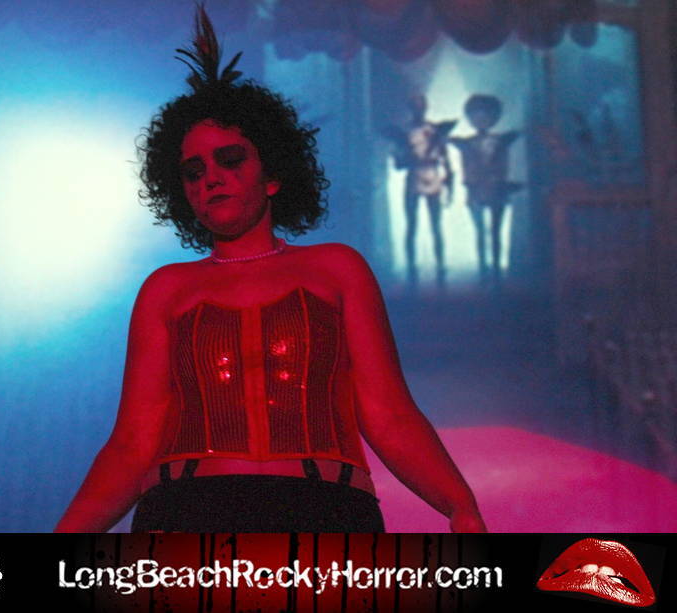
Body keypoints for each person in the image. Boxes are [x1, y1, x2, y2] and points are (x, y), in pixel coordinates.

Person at [55, 7, 485, 533]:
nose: (211, 178)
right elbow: (132, 444)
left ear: (274, 174)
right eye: (194, 171)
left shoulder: (337, 269)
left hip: (326, 515)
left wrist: (459, 505)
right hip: (186, 516)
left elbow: (388, 414)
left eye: (230, 159)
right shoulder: (165, 290)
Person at [384, 96, 456, 285]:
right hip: (413, 177)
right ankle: (412, 264)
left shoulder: (435, 131)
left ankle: (440, 263)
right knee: (411, 224)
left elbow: (445, 157)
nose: (419, 110)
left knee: (436, 224)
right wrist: (403, 156)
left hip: (432, 176)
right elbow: (398, 163)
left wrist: (449, 184)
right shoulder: (405, 133)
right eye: (415, 106)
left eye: (421, 106)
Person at [450, 95, 521, 281]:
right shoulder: (466, 143)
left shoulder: (501, 141)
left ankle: (495, 267)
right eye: (476, 116)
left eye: (485, 116)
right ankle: (483, 267)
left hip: (496, 190)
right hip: (475, 191)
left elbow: (504, 165)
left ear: (494, 117)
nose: (481, 120)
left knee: (495, 231)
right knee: (480, 232)